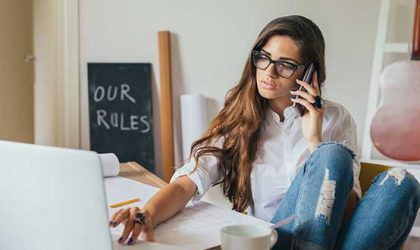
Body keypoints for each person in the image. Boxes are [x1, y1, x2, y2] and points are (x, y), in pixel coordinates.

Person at [109, 15, 420, 249]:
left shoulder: (336, 118)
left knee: (403, 184)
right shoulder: (238, 119)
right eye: (264, 58)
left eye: (285, 65)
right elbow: (187, 183)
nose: (269, 73)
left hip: (333, 240)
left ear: (310, 73)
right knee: (332, 154)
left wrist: (315, 143)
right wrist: (145, 214)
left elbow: (345, 210)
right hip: (276, 240)